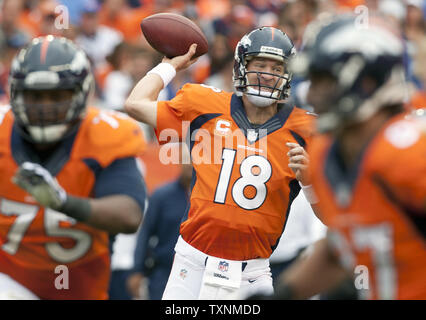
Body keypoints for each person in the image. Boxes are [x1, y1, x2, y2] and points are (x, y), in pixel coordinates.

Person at [125, 26, 317, 299]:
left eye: (276, 68)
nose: (267, 75)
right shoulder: (205, 104)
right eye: (259, 64)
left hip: (251, 274)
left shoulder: (306, 129)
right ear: (241, 66)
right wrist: (168, 66)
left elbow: (330, 217)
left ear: (287, 75)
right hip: (190, 263)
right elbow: (135, 103)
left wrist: (310, 183)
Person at [269, 15, 426, 300]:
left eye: (323, 81)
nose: (311, 94)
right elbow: (340, 247)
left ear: (366, 83)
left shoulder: (409, 151)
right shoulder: (326, 153)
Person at [0, 35, 147, 299]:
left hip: (81, 288)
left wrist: (64, 203)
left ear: (82, 93)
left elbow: (129, 215)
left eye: (57, 95)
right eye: (35, 96)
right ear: (15, 93)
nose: (45, 107)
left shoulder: (105, 135)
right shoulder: (1, 130)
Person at [127, 145, 192, 300]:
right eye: (186, 161)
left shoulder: (210, 199)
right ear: (179, 162)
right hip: (163, 273)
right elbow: (145, 233)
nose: (190, 165)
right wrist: (137, 270)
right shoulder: (162, 195)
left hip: (197, 272)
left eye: (194, 161)